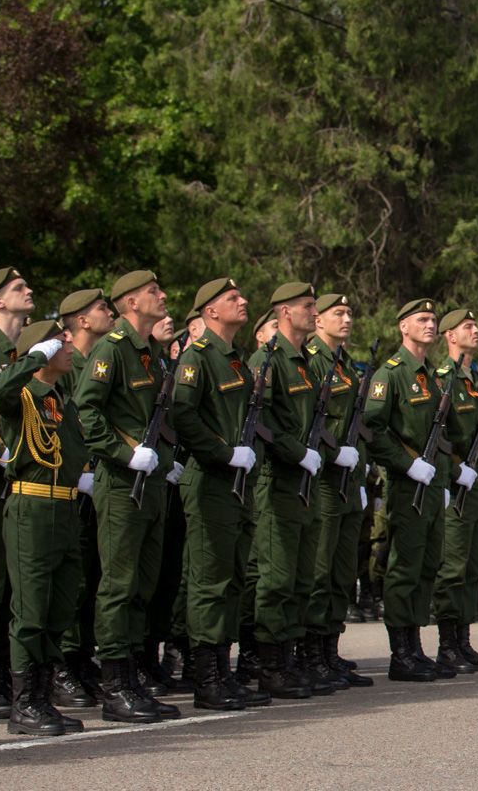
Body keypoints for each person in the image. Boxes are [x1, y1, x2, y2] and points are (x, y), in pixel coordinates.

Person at [75, 270, 180, 722]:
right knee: (119, 586)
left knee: (143, 584)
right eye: (153, 291)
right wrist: (123, 453)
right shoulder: (111, 349)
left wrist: (166, 455)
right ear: (131, 303)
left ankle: (134, 676)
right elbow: (86, 411)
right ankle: (115, 685)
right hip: (122, 485)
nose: (162, 295)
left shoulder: (151, 355)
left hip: (152, 484)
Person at [170, 278, 273, 712]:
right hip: (211, 479)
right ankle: (205, 676)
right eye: (232, 298)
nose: (243, 301)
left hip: (238, 483)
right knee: (209, 581)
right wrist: (223, 452)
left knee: (232, 576)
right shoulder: (198, 358)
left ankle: (223, 670)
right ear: (210, 312)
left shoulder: (236, 361)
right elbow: (182, 415)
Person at [0, 320, 89, 736]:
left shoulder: (57, 399)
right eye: (60, 342)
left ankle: (43, 696)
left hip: (65, 509)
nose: (69, 347)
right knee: (31, 610)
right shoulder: (21, 395)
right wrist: (34, 355)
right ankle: (24, 704)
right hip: (31, 507)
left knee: (61, 606)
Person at [364, 298, 453, 682]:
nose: (430, 325)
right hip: (407, 486)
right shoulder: (392, 373)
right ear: (403, 326)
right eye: (422, 319)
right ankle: (400, 653)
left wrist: (443, 481)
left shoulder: (429, 374)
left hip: (432, 486)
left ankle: (415, 646)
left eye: (433, 319)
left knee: (427, 566)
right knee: (404, 568)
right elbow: (373, 429)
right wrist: (406, 464)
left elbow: (440, 436)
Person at [247, 283, 329, 699]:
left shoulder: (306, 362)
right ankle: (271, 665)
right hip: (278, 480)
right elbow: (261, 421)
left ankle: (292, 657)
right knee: (276, 577)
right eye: (307, 306)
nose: (315, 312)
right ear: (283, 312)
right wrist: (297, 453)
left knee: (301, 576)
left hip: (306, 482)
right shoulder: (267, 359)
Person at [302, 293, 372, 689]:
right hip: (324, 481)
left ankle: (330, 649)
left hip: (349, 480)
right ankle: (311, 653)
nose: (347, 319)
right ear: (318, 321)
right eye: (338, 313)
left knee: (342, 572)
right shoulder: (311, 361)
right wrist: (334, 453)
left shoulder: (345, 364)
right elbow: (310, 421)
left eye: (350, 312)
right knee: (320, 569)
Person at [52, 287, 115, 709]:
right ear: (81, 321)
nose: (108, 312)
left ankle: (82, 656)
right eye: (100, 308)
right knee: (69, 578)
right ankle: (62, 663)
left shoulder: (100, 360)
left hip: (97, 480)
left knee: (93, 572)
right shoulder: (64, 363)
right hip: (68, 482)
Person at [430, 308, 478, 673]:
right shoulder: (444, 380)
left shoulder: (472, 381)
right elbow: (437, 435)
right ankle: (447, 645)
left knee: (471, 567)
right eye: (468, 326)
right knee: (452, 568)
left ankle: (464, 641)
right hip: (456, 487)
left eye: (475, 323)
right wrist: (456, 471)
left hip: (476, 487)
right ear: (450, 336)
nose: (476, 329)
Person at [0, 266, 33, 718]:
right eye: (18, 289)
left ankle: (2, 669)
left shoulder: (23, 349)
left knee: (11, 582)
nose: (28, 291)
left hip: (17, 475)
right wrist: (3, 456)